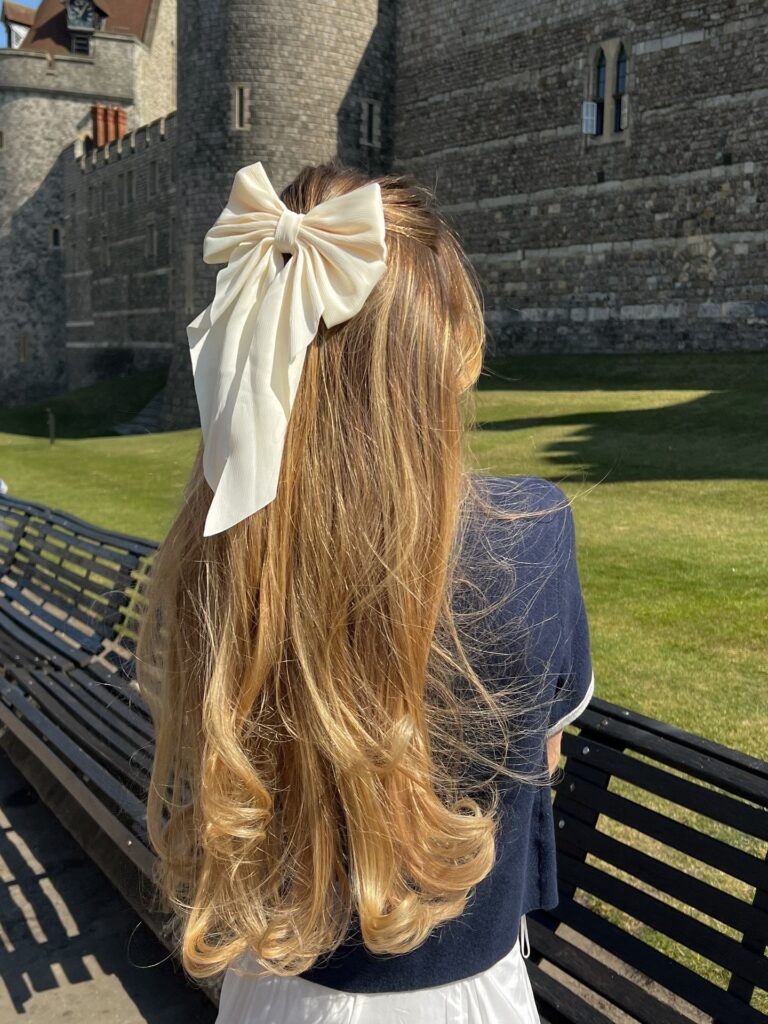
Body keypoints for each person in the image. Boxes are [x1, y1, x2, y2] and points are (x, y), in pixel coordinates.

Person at [135, 158, 595, 1023]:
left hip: (271, 991)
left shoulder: (220, 547)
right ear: (444, 342)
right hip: (467, 997)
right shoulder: (529, 533)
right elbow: (545, 753)